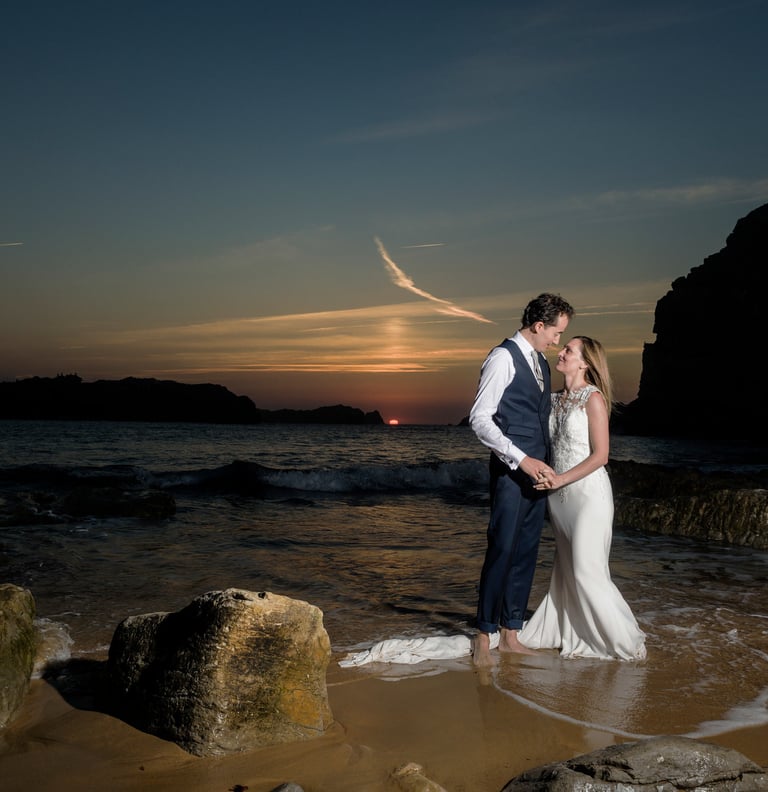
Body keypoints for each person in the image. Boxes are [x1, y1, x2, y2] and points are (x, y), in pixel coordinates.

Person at [517, 336, 646, 660]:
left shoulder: (594, 399)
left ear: (585, 362)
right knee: (566, 570)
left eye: (568, 351)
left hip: (589, 497)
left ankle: (621, 642)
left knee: (586, 571)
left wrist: (560, 478)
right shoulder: (554, 398)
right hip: (558, 500)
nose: (560, 353)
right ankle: (570, 630)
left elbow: (601, 456)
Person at [469, 292, 574, 666]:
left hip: (539, 473)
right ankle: (484, 634)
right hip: (513, 471)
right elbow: (480, 419)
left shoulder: (541, 363)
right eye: (556, 332)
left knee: (527, 551)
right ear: (538, 325)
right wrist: (522, 459)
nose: (557, 341)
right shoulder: (501, 358)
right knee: (502, 548)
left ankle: (511, 633)